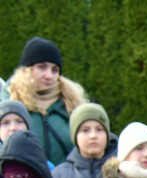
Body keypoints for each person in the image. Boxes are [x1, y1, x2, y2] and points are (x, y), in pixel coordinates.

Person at [3, 37, 86, 167]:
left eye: (55, 70)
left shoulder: (73, 107)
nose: (49, 76)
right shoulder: (7, 108)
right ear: (27, 70)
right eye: (42, 67)